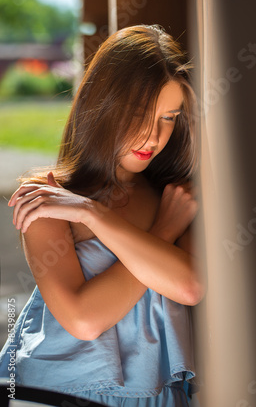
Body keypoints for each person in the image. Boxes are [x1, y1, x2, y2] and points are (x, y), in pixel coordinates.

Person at [0, 24, 205, 406]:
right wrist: (157, 231)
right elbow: (83, 319)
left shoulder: (176, 196)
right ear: (103, 103)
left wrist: (93, 216)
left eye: (169, 117)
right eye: (142, 113)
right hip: (59, 393)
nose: (154, 136)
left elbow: (189, 286)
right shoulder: (48, 200)